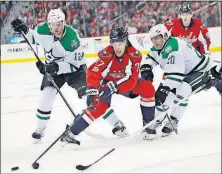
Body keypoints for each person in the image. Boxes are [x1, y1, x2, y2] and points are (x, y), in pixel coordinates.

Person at [10, 8, 126, 142]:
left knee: (91, 96)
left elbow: (74, 64)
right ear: (48, 24)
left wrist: (53, 67)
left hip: (75, 70)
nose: (56, 28)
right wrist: (25, 30)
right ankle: (40, 129)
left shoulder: (72, 38)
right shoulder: (42, 29)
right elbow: (33, 39)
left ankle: (117, 124)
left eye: (59, 24)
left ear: (64, 22)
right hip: (53, 69)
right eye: (53, 24)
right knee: (46, 94)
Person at [60, 26, 156, 145]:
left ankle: (149, 124)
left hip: (125, 85)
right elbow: (93, 71)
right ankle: (71, 132)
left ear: (126, 42)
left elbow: (132, 80)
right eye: (114, 42)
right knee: (98, 106)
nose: (117, 46)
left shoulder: (134, 55)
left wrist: (114, 86)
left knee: (147, 87)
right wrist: (92, 90)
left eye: (121, 42)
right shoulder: (107, 53)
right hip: (106, 83)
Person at [140, 24, 222, 138]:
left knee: (182, 89)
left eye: (157, 38)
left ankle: (173, 120)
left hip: (200, 69)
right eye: (153, 39)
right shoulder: (160, 45)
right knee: (163, 95)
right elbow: (151, 56)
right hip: (183, 71)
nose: (155, 41)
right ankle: (157, 120)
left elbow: (175, 76)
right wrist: (146, 67)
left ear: (164, 36)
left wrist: (164, 89)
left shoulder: (173, 48)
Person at [164, 3, 221, 94]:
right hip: (180, 55)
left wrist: (206, 54)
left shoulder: (199, 25)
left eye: (187, 14)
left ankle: (220, 88)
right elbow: (163, 34)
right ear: (180, 15)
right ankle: (166, 90)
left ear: (191, 14)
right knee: (171, 72)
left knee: (209, 72)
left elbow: (206, 41)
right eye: (183, 14)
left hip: (196, 55)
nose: (185, 16)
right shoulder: (174, 24)